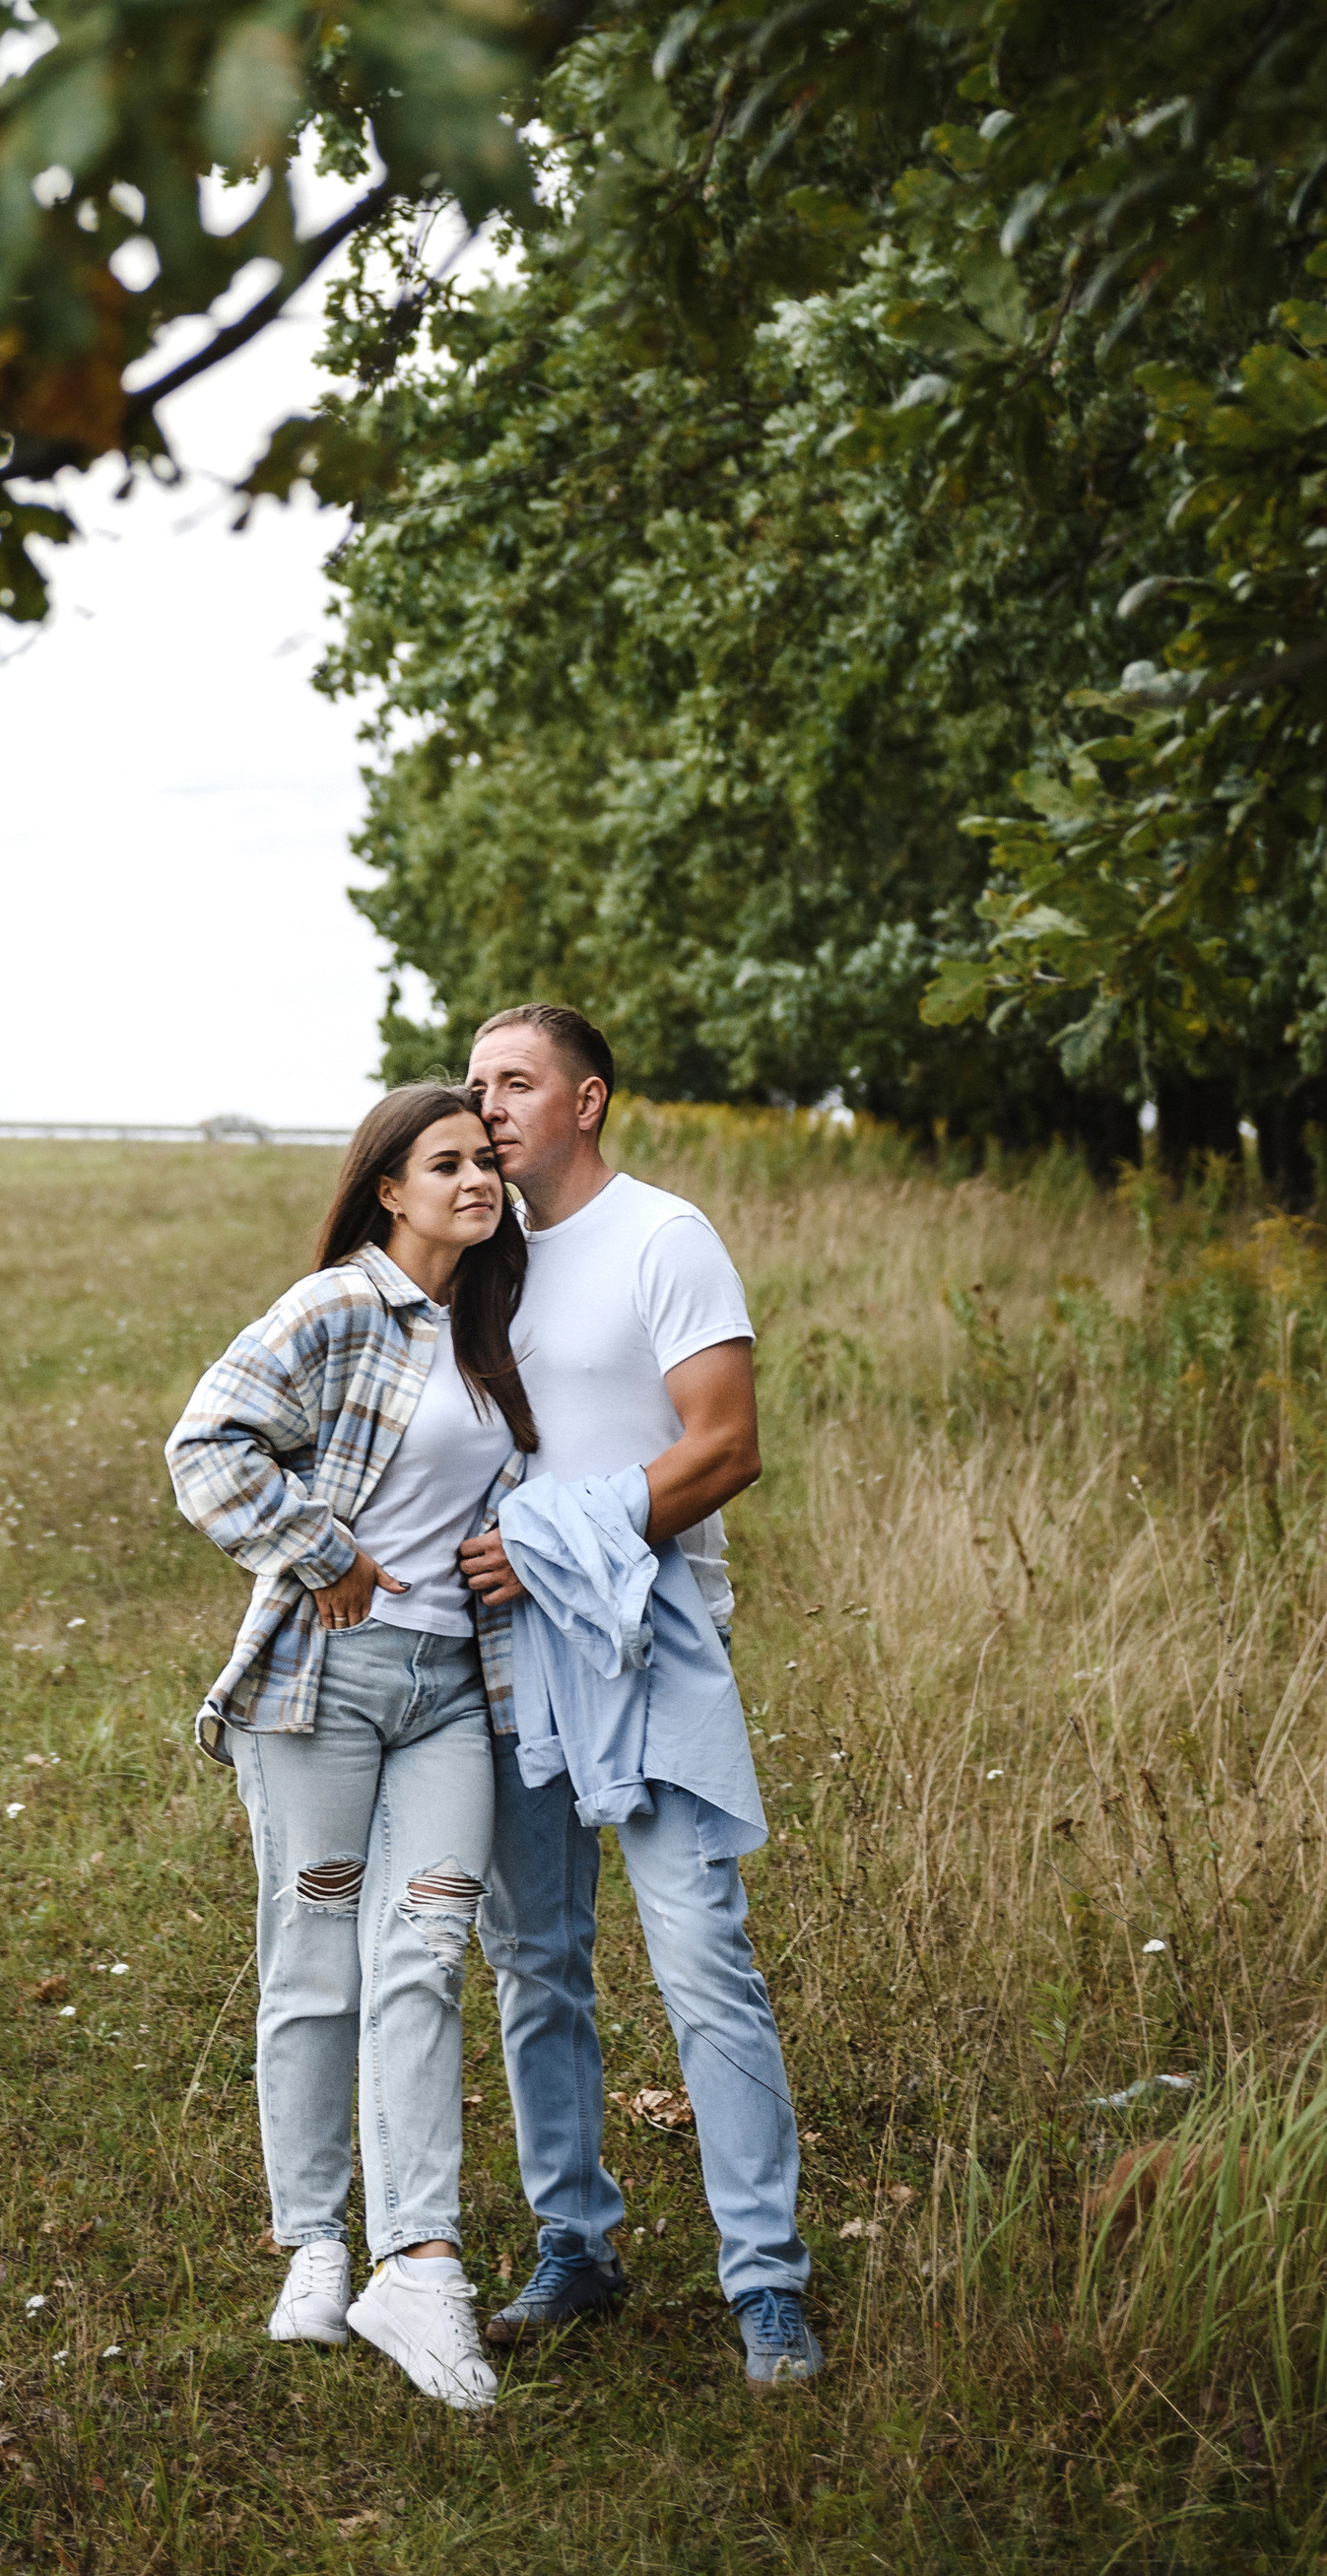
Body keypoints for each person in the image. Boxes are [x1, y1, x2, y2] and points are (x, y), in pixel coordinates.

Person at [455, 1004, 822, 2387]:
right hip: (509, 1657)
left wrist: (551, 1536)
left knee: (701, 1965)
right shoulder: (475, 1261)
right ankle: (577, 2244)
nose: (488, 1104)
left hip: (648, 1644)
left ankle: (766, 2281)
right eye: (475, 1081)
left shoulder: (666, 1238)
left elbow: (725, 1447)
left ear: (588, 1098)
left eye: (519, 1081)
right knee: (534, 1963)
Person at [166, 1085, 539, 2412]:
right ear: (389, 1187)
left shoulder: (498, 1320)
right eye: (447, 1163)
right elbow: (203, 1443)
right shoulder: (336, 1308)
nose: (477, 1179)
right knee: (315, 1958)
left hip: (453, 1689)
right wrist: (320, 1550)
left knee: (428, 1952)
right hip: (321, 1689)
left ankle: (420, 2266)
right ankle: (314, 2245)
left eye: (487, 1160)